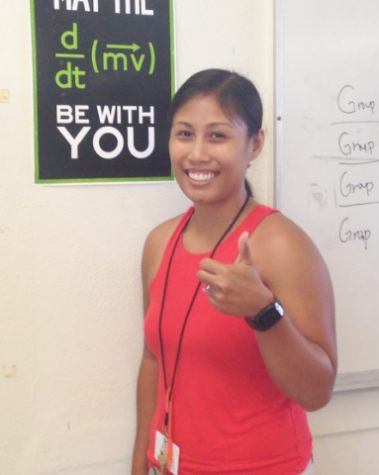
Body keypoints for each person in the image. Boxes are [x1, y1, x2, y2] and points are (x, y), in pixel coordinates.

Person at [131, 69, 337, 475]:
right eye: (185, 134)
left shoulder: (280, 244)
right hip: (169, 465)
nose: (197, 154)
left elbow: (317, 391)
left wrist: (264, 311)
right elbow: (154, 360)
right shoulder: (160, 243)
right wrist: (140, 461)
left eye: (218, 135)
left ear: (255, 144)